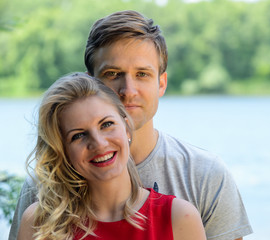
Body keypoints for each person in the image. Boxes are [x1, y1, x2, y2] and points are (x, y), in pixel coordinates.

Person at [10, 10, 252, 240]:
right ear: (90, 82)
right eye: (113, 74)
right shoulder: (46, 185)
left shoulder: (205, 176)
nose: (128, 91)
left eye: (142, 74)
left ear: (161, 83)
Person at [17, 72, 206, 240]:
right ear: (63, 152)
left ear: (126, 128)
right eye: (78, 135)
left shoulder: (179, 218)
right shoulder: (39, 224)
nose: (99, 143)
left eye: (106, 124)